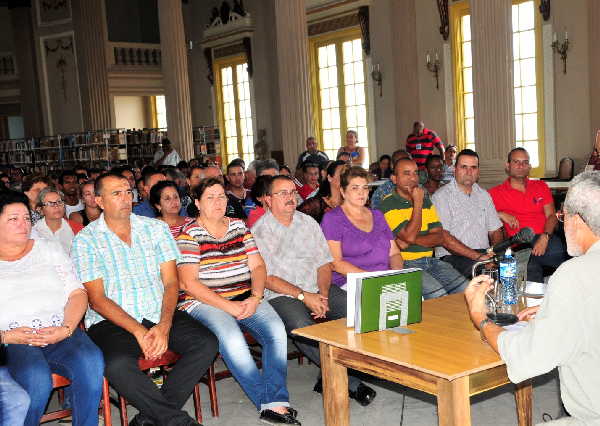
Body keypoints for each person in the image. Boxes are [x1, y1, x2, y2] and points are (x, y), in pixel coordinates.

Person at [71, 173, 218, 426]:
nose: (126, 198)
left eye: (128, 192)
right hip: (112, 321)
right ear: (99, 201)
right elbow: (96, 299)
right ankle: (177, 421)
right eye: (116, 193)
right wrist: (140, 331)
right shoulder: (86, 239)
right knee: (116, 365)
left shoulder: (155, 229)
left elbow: (172, 283)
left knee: (206, 344)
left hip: (157, 309)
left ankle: (148, 419)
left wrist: (164, 325)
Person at [465, 171, 600, 425]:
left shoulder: (573, 275)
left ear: (578, 221)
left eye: (562, 217)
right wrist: (556, 310)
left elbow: (528, 358)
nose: (561, 224)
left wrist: (480, 317)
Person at [175, 178, 300, 425]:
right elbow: (189, 284)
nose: (218, 202)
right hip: (205, 302)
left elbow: (258, 266)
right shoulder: (189, 235)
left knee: (276, 331)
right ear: (197, 203)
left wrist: (255, 297)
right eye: (210, 197)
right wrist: (229, 307)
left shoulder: (240, 227)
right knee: (231, 339)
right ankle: (269, 403)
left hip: (244, 295)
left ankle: (274, 402)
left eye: (222, 196)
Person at [252, 175, 377, 407]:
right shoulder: (260, 231)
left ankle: (350, 367)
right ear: (268, 199)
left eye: (292, 192)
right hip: (283, 295)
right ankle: (351, 380)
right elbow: (267, 278)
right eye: (282, 193)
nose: (290, 198)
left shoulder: (307, 222)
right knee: (303, 326)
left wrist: (323, 294)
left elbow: (324, 263)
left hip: (316, 288)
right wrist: (304, 296)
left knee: (357, 309)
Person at [0, 190, 104, 426]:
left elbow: (77, 293)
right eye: (13, 219)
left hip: (59, 330)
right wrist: (6, 336)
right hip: (15, 339)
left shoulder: (48, 249)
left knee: (91, 360)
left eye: (26, 218)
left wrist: (67, 328)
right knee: (36, 379)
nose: (23, 224)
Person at [378, 158, 469, 299]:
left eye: (415, 173)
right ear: (394, 179)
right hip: (406, 263)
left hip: (430, 261)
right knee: (439, 296)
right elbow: (408, 235)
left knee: (466, 290)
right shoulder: (388, 203)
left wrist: (408, 241)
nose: (413, 178)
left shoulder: (426, 201)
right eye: (406, 173)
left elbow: (439, 236)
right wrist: (418, 202)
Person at [489, 147, 567, 283]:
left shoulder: (540, 186)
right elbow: (480, 215)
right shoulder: (495, 193)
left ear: (529, 166)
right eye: (516, 162)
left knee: (562, 253)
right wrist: (499, 213)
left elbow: (551, 216)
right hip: (519, 242)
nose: (521, 166)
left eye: (525, 162)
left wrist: (545, 237)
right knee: (531, 268)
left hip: (545, 238)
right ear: (508, 166)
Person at [321, 166, 403, 288]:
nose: (361, 193)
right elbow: (336, 263)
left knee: (415, 299)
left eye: (365, 188)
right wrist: (374, 280)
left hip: (385, 279)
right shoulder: (333, 219)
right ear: (343, 192)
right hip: (352, 282)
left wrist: (396, 276)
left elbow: (394, 253)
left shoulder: (378, 215)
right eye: (355, 188)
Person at [432, 149, 503, 277]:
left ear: (478, 171)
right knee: (485, 274)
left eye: (473, 167)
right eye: (464, 167)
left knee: (517, 268)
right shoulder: (441, 196)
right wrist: (479, 257)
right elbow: (444, 238)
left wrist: (495, 254)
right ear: (455, 169)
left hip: (483, 254)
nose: (469, 172)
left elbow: (495, 231)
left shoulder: (484, 195)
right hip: (452, 257)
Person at [31, 187, 84, 253]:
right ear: (40, 209)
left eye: (59, 202)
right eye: (50, 203)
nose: (56, 206)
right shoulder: (33, 232)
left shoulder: (78, 228)